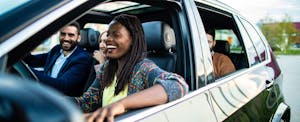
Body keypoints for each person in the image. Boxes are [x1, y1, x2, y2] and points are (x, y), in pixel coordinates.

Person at [72, 14, 188, 122]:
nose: (107, 39)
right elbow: (86, 102)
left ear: (132, 39)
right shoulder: (106, 68)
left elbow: (177, 85)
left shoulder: (143, 67)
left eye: (116, 34)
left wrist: (121, 104)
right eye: (108, 34)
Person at [24, 22, 93, 96]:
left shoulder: (83, 58)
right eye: (63, 34)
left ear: (78, 38)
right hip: (43, 93)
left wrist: (27, 71)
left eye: (71, 35)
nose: (66, 38)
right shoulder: (56, 50)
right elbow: (32, 60)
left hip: (60, 101)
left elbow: (62, 85)